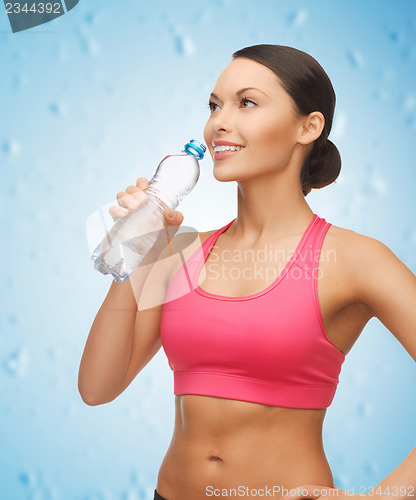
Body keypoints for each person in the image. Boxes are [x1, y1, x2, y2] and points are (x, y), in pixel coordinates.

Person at [78, 44, 416, 500]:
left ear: (308, 126)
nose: (219, 121)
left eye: (247, 103)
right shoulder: (180, 251)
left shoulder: (355, 259)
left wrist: (380, 499)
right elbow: (97, 387)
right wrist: (136, 254)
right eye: (214, 105)